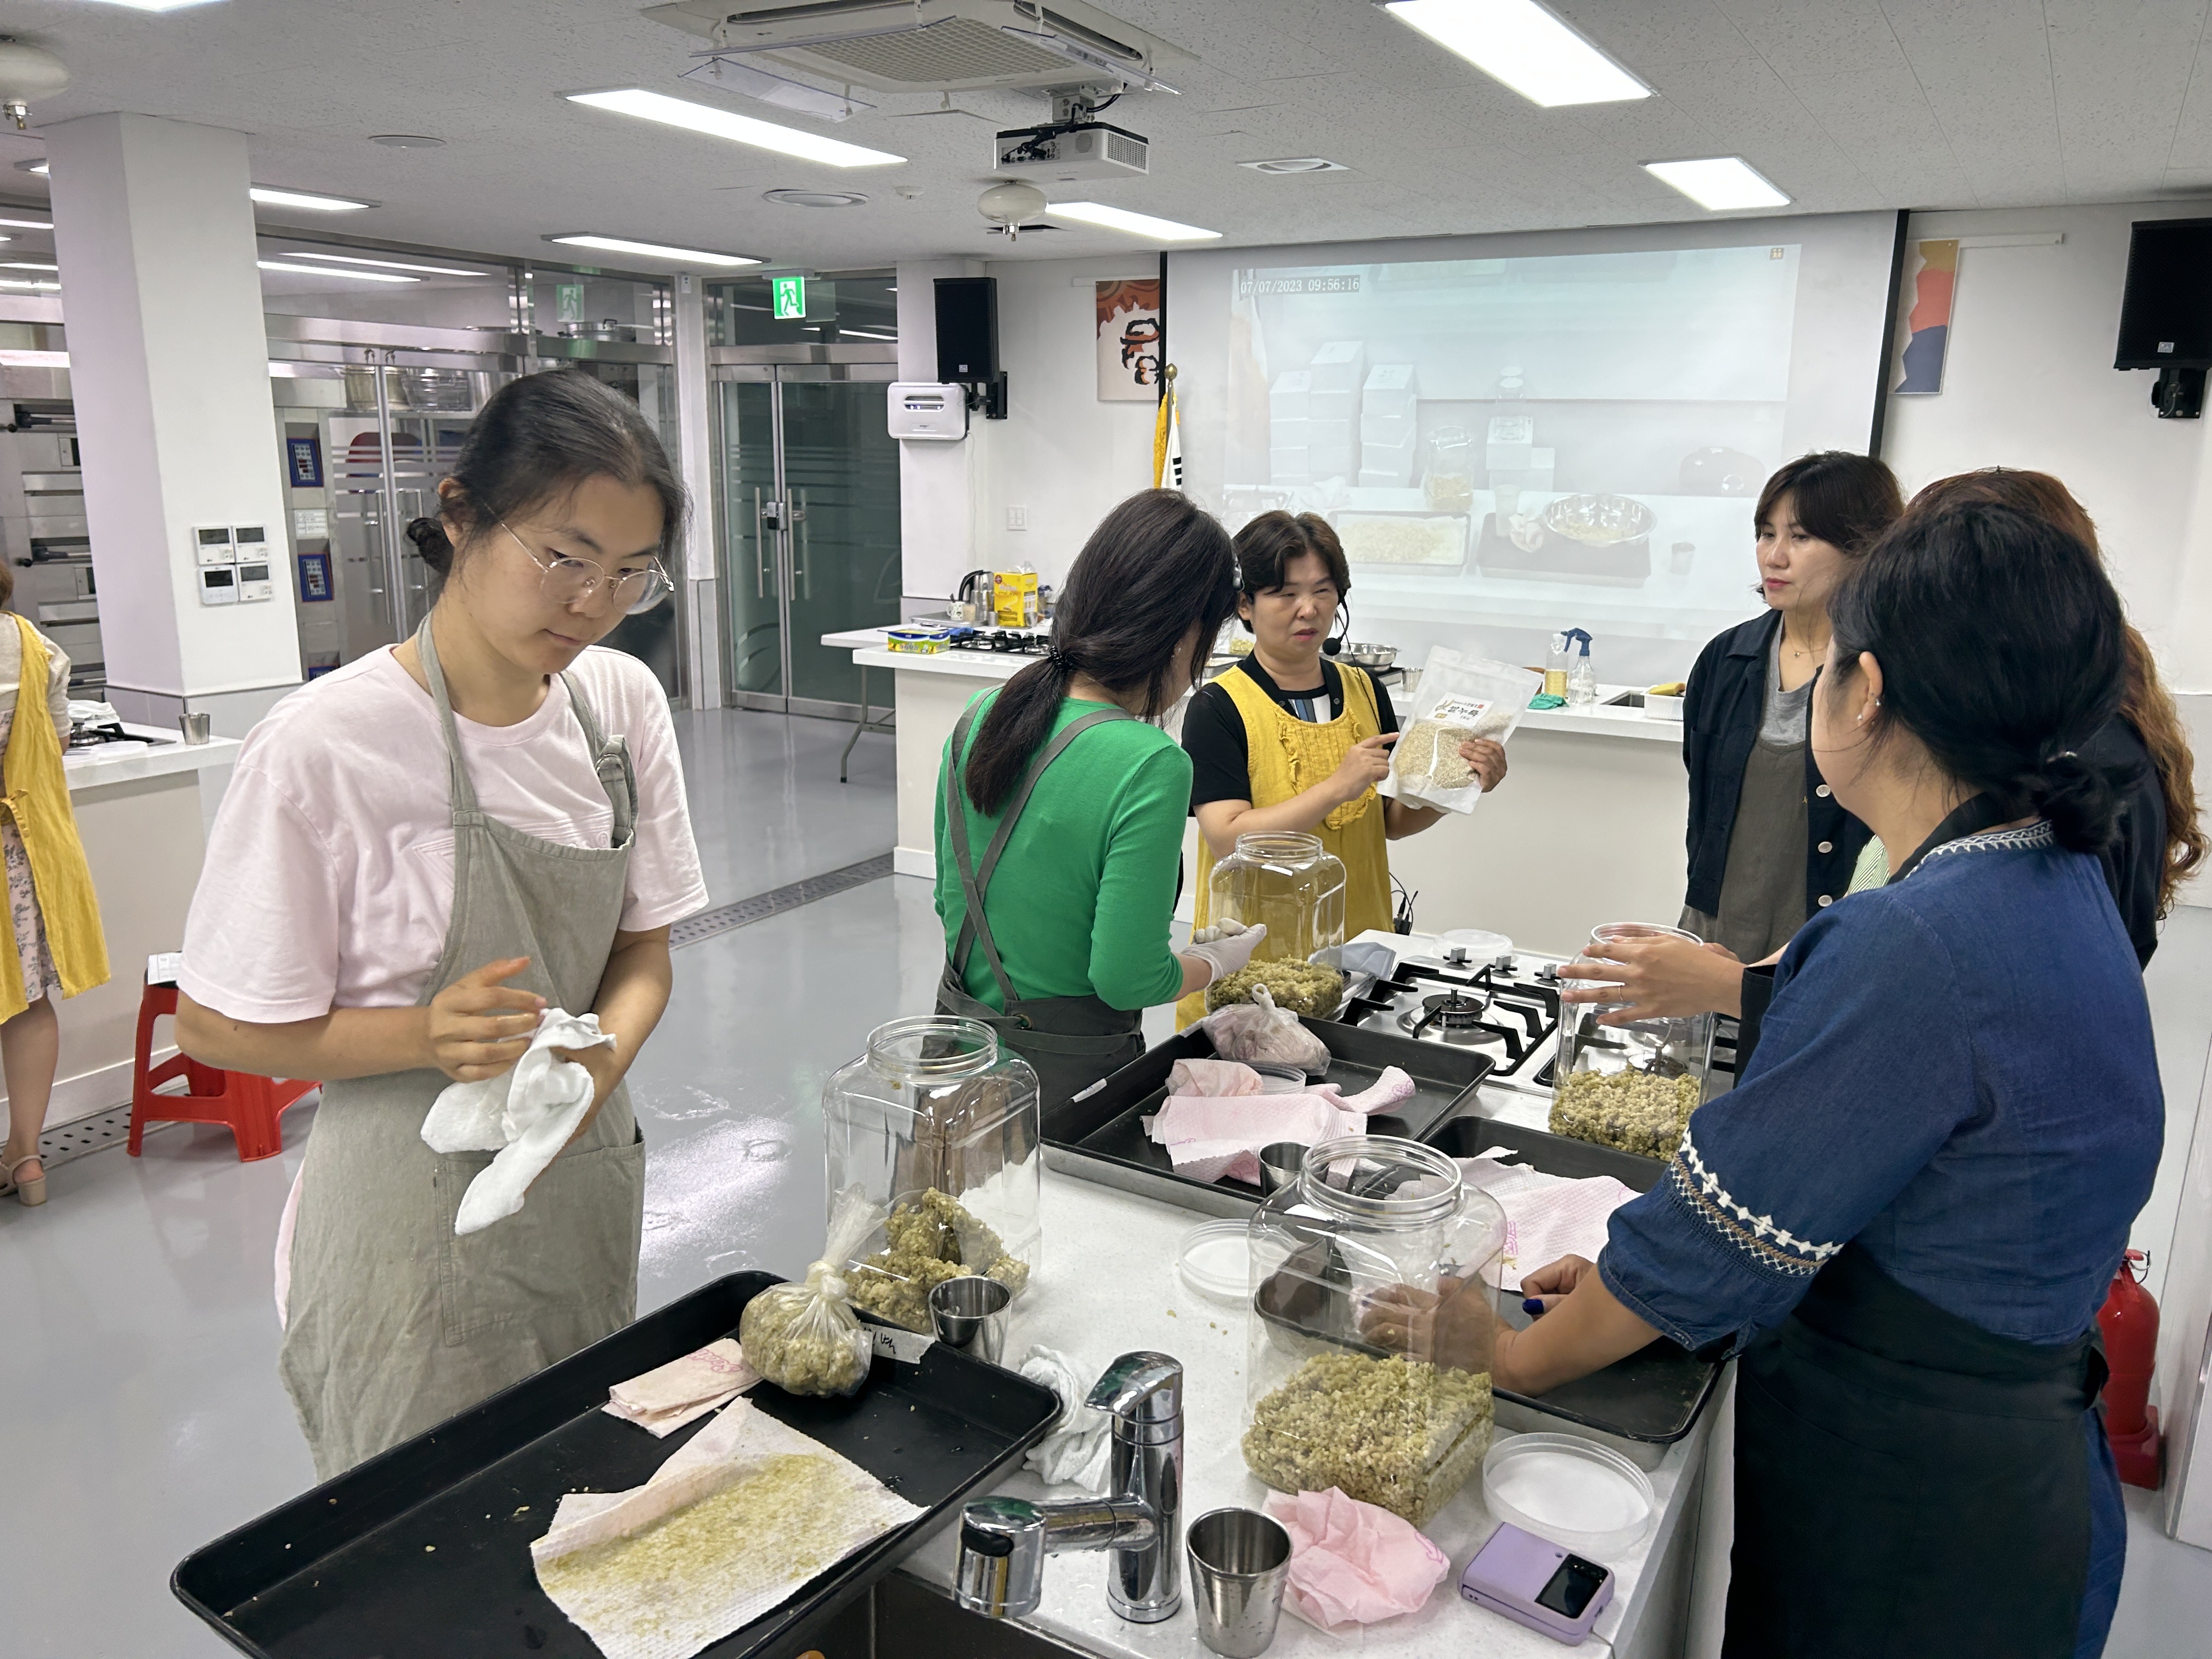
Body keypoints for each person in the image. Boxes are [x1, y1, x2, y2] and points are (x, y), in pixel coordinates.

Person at [1369, 500, 2163, 1657]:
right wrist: (1616, 1271)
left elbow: (1710, 1244)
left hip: (1910, 1521)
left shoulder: (1915, 940)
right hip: (2013, 1477)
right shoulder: (2053, 870)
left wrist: (1509, 1348)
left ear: (1870, 689)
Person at [174, 370, 707, 1479]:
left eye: (628, 574)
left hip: (576, 1188)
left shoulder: (618, 708)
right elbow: (215, 1029)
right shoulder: (328, 745)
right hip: (400, 1236)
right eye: (561, 558)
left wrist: (582, 1086)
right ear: (460, 516)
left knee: (582, 1499)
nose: (592, 603)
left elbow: (644, 952)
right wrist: (423, 1037)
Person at [1567, 466, 2203, 1028]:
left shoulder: (2049, 795)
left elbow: (1932, 1014)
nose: (1776, 555)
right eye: (1766, 533)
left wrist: (1738, 987)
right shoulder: (2002, 787)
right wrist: (1751, 978)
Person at [935, 489, 1265, 1108]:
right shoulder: (1151, 763)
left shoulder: (981, 715)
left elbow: (947, 898)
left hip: (955, 1061)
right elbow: (1125, 979)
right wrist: (1214, 962)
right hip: (1061, 1088)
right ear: (1185, 633)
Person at [1178, 511, 1504, 1025]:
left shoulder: (1366, 690)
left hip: (1359, 946)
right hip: (1256, 965)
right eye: (1285, 594)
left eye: (1323, 591)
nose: (1308, 610)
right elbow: (1228, 839)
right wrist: (1337, 786)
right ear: (1246, 604)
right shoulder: (1218, 707)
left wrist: (1459, 786)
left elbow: (1391, 821)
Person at [1680, 452, 1903, 960]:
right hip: (1716, 928)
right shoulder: (1726, 658)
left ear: (1864, 546)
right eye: (1766, 533)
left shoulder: (1887, 670)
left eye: (1800, 537)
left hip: (1833, 939)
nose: (1774, 557)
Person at [0, 587, 108, 1208]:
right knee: (27, 1003)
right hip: (23, 851)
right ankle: (27, 1153)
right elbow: (54, 746)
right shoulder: (34, 647)